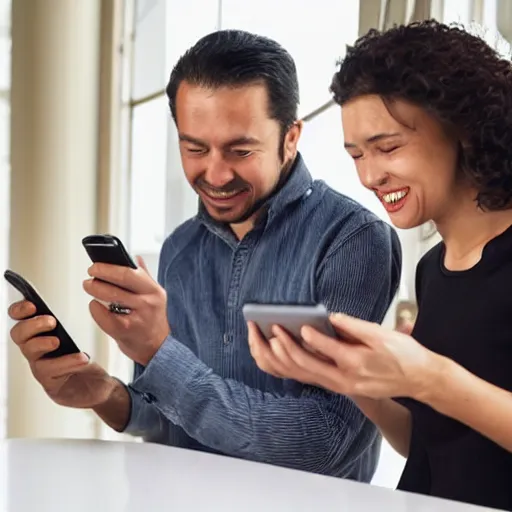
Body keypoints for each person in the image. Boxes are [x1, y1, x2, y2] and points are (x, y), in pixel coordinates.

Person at [7, 29, 401, 480]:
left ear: (290, 138)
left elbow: (323, 442)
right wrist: (107, 395)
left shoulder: (351, 241)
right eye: (194, 148)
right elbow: (167, 418)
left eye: (240, 150)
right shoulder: (178, 249)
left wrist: (159, 351)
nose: (214, 173)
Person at [247, 20, 512, 510]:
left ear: (465, 131)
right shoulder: (432, 270)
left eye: (388, 147)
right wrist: (348, 380)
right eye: (356, 155)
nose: (370, 176)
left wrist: (430, 377)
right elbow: (425, 444)